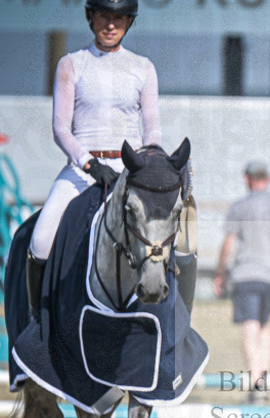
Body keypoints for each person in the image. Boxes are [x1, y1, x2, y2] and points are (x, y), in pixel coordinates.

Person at [27, 0, 160, 316]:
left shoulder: (144, 67)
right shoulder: (72, 64)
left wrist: (150, 160)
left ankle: (174, 324)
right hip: (83, 168)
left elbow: (152, 128)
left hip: (130, 168)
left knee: (171, 238)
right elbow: (61, 128)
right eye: (103, 16)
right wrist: (89, 163)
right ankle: (37, 321)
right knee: (40, 239)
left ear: (129, 22)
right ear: (90, 17)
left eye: (118, 18)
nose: (110, 25)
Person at [213, 161, 270, 403]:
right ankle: (261, 380)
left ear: (247, 179)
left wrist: (219, 272)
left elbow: (228, 244)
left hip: (246, 274)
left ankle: (257, 383)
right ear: (269, 179)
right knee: (265, 328)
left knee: (250, 327)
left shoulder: (239, 207)